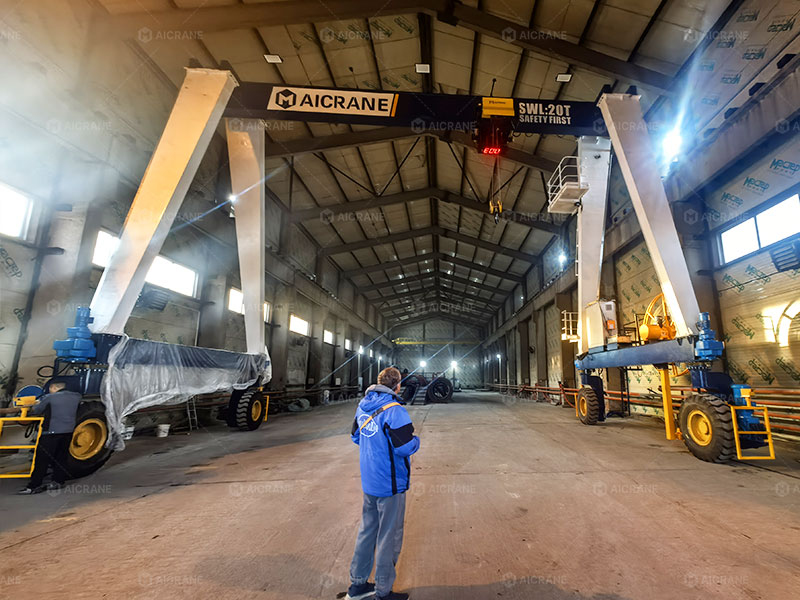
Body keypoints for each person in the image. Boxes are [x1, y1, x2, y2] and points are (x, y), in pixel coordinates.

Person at [346, 367, 420, 600]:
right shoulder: (394, 411)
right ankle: (383, 591)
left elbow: (356, 436)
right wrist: (417, 441)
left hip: (370, 482)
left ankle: (358, 585)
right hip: (390, 484)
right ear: (398, 386)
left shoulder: (362, 406)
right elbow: (404, 447)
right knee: (389, 536)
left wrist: (375, 446)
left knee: (367, 531)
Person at [0, 379, 82, 494]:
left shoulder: (49, 398)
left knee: (41, 459)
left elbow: (36, 410)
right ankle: (58, 481)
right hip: (68, 432)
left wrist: (27, 408)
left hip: (50, 433)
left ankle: (34, 486)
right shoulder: (76, 397)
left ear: (53, 387)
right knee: (61, 457)